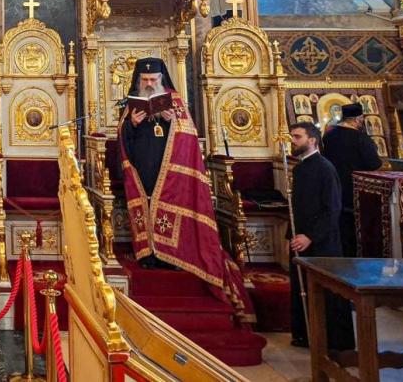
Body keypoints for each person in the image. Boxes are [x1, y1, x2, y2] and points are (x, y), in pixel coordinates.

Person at [117, 57, 254, 321]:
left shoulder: (176, 101)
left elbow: (188, 137)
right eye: (145, 80)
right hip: (142, 167)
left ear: (161, 78)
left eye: (153, 79)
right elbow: (123, 140)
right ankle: (148, 253)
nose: (149, 84)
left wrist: (171, 122)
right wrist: (131, 124)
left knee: (168, 206)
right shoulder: (131, 103)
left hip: (171, 169)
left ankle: (172, 254)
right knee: (147, 204)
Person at [287, 122, 355, 350]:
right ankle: (306, 335)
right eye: (292, 136)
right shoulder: (299, 169)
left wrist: (310, 236)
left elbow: (333, 208)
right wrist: (291, 235)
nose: (293, 141)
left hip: (322, 241)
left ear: (312, 140)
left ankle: (334, 341)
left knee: (326, 293)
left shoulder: (325, 169)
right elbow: (296, 207)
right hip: (300, 239)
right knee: (302, 288)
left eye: (297, 137)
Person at [321, 103, 382, 256]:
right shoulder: (360, 138)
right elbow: (374, 164)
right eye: (361, 119)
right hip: (355, 191)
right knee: (353, 233)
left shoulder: (329, 136)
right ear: (357, 119)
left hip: (333, 188)